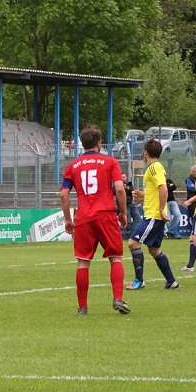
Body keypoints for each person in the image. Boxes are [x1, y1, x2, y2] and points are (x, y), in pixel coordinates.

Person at [61, 125, 130, 315]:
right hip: (106, 215)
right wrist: (123, 213)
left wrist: (68, 219)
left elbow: (64, 195)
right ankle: (118, 298)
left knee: (83, 262)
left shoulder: (72, 166)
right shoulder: (110, 162)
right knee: (115, 257)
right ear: (99, 143)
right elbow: (119, 189)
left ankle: (82, 307)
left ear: (83, 145)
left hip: (83, 218)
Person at [126, 139, 178, 290]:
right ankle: (171, 281)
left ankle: (139, 280)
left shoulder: (154, 167)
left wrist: (161, 209)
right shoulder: (155, 167)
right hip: (155, 214)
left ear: (145, 152)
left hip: (154, 215)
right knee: (154, 249)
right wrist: (142, 195)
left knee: (133, 243)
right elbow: (156, 190)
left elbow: (163, 188)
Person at [184, 166, 196, 232]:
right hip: (192, 202)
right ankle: (193, 231)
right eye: (194, 171)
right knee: (193, 217)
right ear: (191, 172)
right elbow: (191, 188)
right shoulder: (189, 179)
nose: (195, 172)